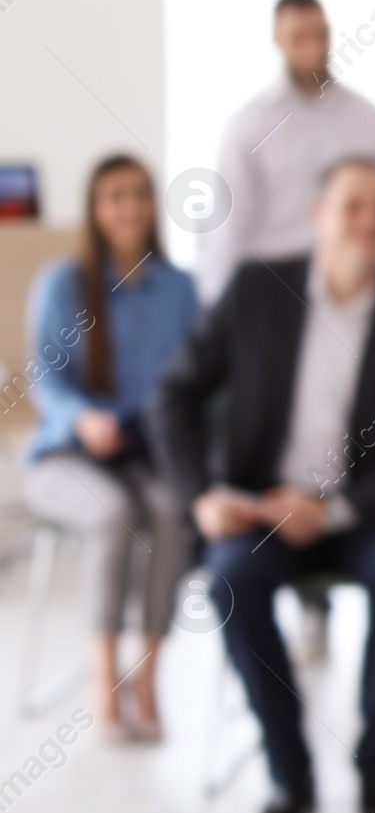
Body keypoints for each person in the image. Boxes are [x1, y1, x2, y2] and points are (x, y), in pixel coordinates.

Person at [154, 158, 375, 813]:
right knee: (231, 579)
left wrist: (332, 510)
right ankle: (290, 772)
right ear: (318, 215)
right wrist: (201, 495)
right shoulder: (257, 291)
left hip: (367, 510)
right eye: (353, 206)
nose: (369, 222)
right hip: (263, 505)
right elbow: (174, 394)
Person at [202, 0, 375, 659]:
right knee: (275, 444)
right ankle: (284, 577)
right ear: (278, 39)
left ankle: (323, 582)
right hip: (269, 315)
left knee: (344, 440)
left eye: (320, 33)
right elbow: (224, 234)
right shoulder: (248, 125)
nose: (311, 46)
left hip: (354, 304)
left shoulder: (368, 123)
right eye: (298, 35)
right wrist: (226, 332)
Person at [22, 156, 198, 743]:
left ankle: (147, 677)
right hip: (68, 454)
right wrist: (84, 417)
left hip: (145, 453)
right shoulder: (62, 284)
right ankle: (105, 673)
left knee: (173, 513)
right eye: (115, 196)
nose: (129, 208)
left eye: (140, 195)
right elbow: (43, 380)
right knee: (113, 512)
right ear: (96, 210)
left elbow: (193, 381)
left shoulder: (180, 290)